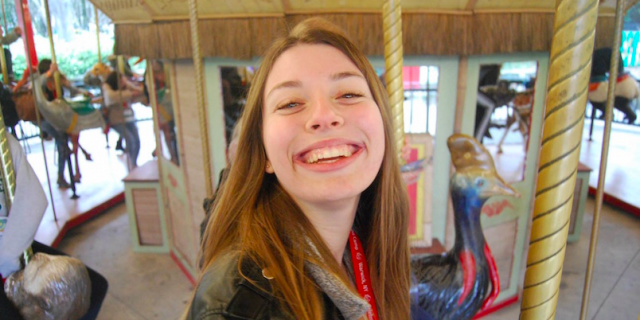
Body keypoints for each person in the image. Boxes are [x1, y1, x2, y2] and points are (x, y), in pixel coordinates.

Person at [187, 18, 411, 320]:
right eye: (291, 103)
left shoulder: (368, 238)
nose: (324, 116)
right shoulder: (240, 305)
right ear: (263, 152)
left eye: (348, 94)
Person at [103, 71, 143, 169]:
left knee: (136, 140)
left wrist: (129, 88)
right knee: (130, 139)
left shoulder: (126, 87)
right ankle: (130, 162)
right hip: (117, 120)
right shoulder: (108, 89)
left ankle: (133, 162)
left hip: (129, 117)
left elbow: (139, 91)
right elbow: (111, 97)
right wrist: (130, 93)